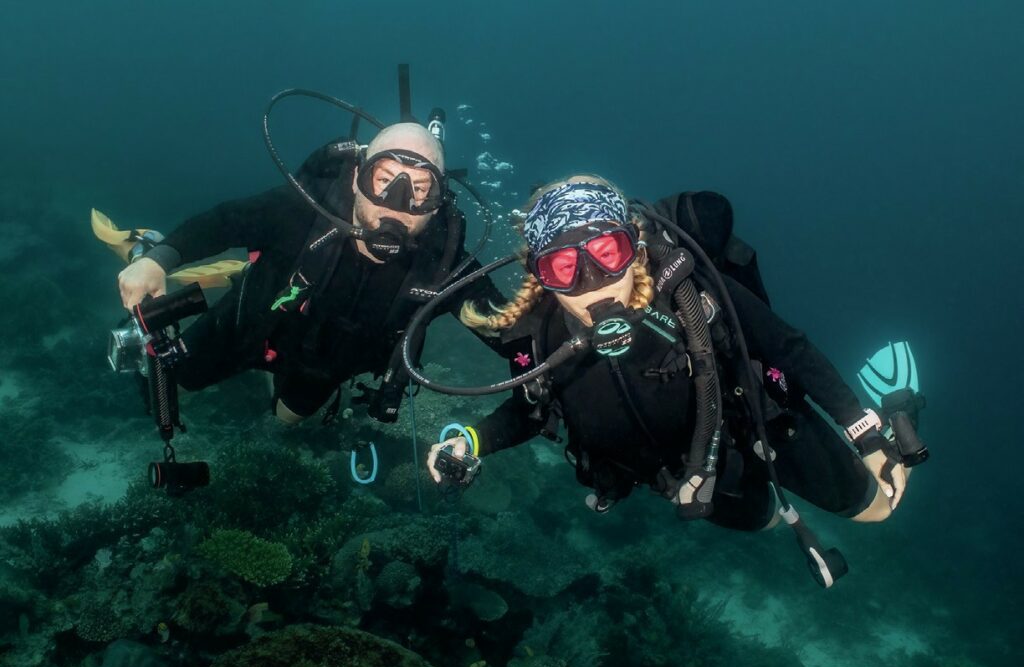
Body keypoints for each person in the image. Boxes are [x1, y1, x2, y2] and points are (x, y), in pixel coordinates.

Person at [425, 176, 914, 534]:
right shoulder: (544, 336)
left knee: (879, 507)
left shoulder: (687, 294)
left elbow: (785, 345)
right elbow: (528, 410)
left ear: (635, 249)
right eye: (564, 266)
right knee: (763, 521)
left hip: (757, 430)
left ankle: (900, 402)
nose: (592, 282)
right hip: (686, 481)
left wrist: (864, 431)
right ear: (539, 275)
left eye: (607, 254)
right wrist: (469, 441)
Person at [117, 122, 504, 424]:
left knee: (286, 420)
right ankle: (239, 273)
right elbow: (227, 221)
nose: (397, 205)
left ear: (437, 205)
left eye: (420, 190)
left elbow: (506, 325)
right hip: (243, 327)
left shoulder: (442, 261)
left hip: (323, 368)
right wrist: (159, 259)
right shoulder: (304, 208)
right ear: (356, 178)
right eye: (384, 180)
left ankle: (279, 383)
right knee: (162, 394)